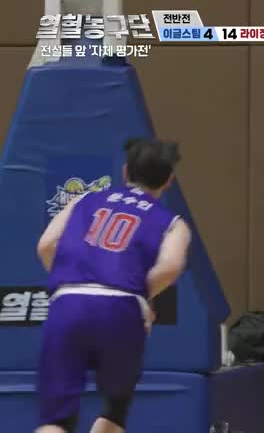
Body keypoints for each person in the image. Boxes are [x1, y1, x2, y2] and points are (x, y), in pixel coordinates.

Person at [35, 139, 190, 433]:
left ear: (125, 171)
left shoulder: (84, 200)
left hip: (68, 302)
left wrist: (69, 279)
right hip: (121, 307)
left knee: (55, 420)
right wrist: (141, 296)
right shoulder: (173, 223)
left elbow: (46, 245)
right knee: (115, 410)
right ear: (169, 179)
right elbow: (170, 267)